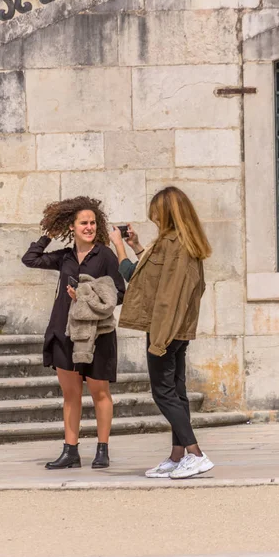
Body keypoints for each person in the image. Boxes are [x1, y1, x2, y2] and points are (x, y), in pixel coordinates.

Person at [109, 186, 214, 479]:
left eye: (156, 212)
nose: (153, 217)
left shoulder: (177, 246)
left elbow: (169, 296)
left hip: (165, 329)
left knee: (164, 393)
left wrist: (117, 247)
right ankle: (177, 455)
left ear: (167, 212)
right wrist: (135, 246)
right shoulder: (176, 242)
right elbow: (145, 276)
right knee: (176, 392)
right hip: (173, 330)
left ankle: (196, 454)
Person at [22, 196, 125, 470]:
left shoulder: (104, 255)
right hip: (63, 332)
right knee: (71, 395)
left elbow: (119, 293)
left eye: (92, 222)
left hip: (96, 335)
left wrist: (85, 295)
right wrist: (48, 235)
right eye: (83, 223)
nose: (89, 227)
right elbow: (30, 259)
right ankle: (71, 451)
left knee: (99, 392)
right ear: (72, 226)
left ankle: (102, 450)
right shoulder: (65, 256)